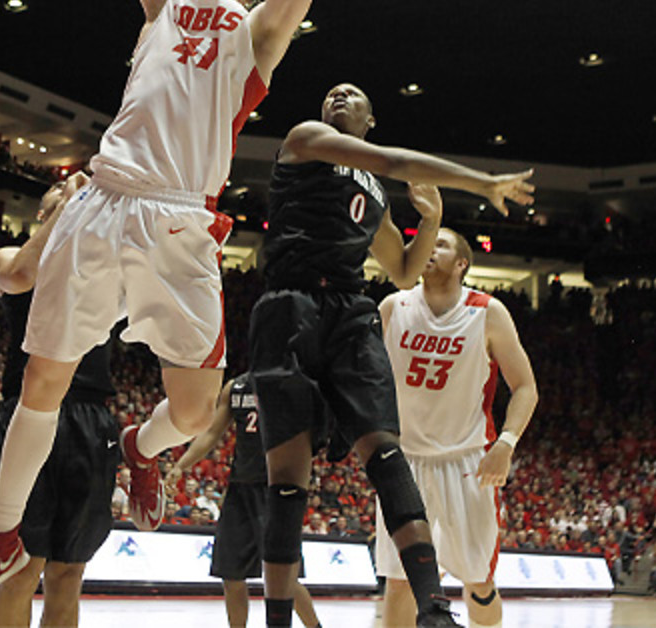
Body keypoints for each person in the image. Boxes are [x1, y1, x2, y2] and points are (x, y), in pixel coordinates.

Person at [0, 0, 329, 618]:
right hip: (105, 196)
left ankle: (140, 446)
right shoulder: (163, 8)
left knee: (197, 410)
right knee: (41, 381)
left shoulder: (254, 38)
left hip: (179, 219)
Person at [248, 82, 535, 628]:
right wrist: (483, 181)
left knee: (384, 453)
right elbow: (394, 160)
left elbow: (402, 269)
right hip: (291, 303)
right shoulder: (307, 138)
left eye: (351, 94)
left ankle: (435, 611)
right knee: (288, 480)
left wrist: (429, 222)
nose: (338, 97)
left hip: (349, 310)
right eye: (331, 92)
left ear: (370, 116)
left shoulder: (375, 194)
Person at [376, 227, 538, 628]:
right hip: (404, 462)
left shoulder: (487, 312)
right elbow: (364, 379)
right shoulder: (393, 307)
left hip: (467, 462)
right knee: (399, 582)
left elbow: (526, 387)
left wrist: (506, 442)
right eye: (426, 243)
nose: (429, 248)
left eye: (441, 244)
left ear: (462, 263)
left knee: (479, 582)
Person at [0, 177, 122, 628]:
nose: (76, 185)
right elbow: (21, 274)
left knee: (68, 572)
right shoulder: (8, 255)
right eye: (62, 189)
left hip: (91, 417)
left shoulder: (104, 263)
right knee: (21, 569)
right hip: (31, 410)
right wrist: (73, 204)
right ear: (44, 213)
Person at [168, 373, 320, 628]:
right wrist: (181, 465)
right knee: (231, 574)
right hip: (240, 489)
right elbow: (212, 432)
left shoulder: (294, 382)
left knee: (286, 578)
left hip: (276, 488)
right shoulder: (235, 387)